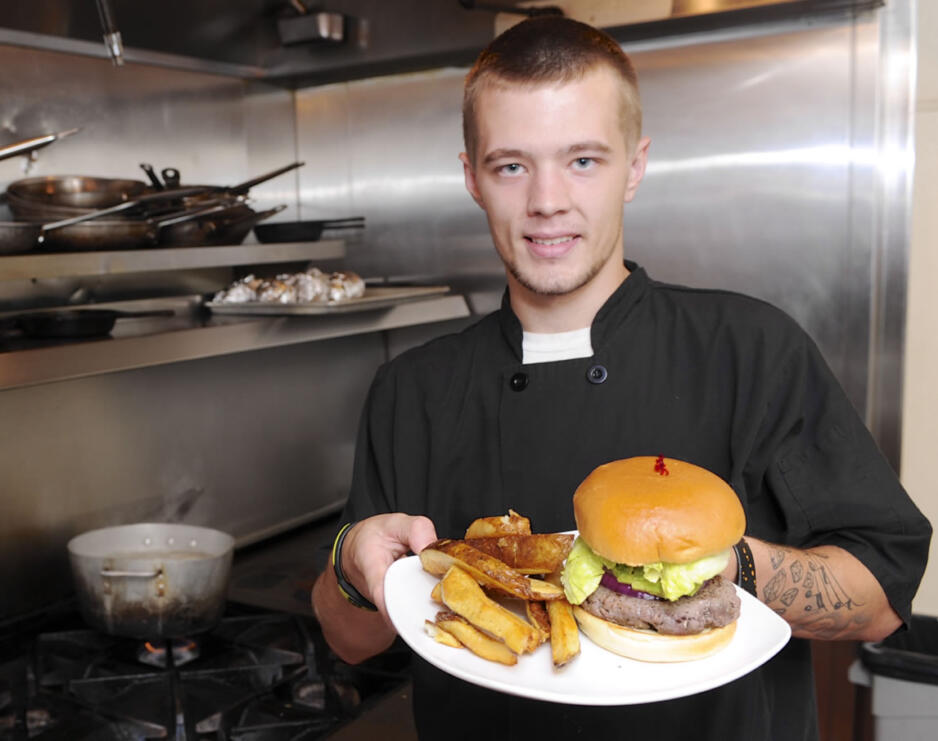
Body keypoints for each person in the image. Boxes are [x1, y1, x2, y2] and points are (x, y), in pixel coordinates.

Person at [310, 16, 932, 741]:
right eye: (512, 164)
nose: (547, 200)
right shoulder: (411, 390)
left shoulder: (752, 348)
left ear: (634, 167)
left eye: (583, 161)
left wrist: (713, 568)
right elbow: (353, 642)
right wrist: (352, 570)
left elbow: (882, 595)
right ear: (472, 177)